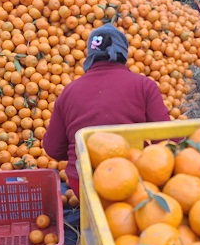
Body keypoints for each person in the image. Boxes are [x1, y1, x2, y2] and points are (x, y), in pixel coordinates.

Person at [43, 23, 170, 198]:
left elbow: (53, 149)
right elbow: (167, 139)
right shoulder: (144, 85)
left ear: (90, 56)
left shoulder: (69, 91)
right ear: (123, 55)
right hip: (132, 179)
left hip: (82, 182)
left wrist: (84, 149)